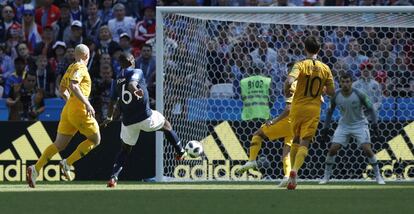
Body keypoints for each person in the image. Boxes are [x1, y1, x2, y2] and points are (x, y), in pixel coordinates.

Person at [101, 53, 186, 188]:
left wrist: (110, 117)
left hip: (128, 122)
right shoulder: (137, 71)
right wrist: (136, 91)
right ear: (131, 61)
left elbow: (112, 101)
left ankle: (113, 177)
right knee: (166, 125)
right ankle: (180, 152)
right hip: (145, 117)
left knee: (124, 150)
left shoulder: (116, 79)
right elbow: (131, 85)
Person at [27, 44, 101, 188]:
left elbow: (62, 90)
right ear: (86, 56)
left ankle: (35, 168)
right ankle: (68, 163)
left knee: (59, 144)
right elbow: (74, 85)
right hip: (79, 109)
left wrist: (71, 102)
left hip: (68, 109)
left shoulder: (70, 68)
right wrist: (86, 103)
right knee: (95, 139)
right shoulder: (80, 67)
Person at [284, 36, 335, 190]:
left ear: (305, 49)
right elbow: (332, 92)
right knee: (305, 142)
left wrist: (287, 92)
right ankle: (294, 170)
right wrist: (321, 90)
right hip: (313, 109)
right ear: (319, 50)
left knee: (296, 140)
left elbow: (288, 81)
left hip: (297, 107)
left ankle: (292, 179)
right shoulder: (326, 68)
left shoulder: (299, 65)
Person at [236, 62, 298, 187]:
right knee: (286, 152)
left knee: (258, 134)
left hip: (288, 121)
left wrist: (274, 121)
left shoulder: (291, 84)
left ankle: (252, 160)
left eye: (289, 71)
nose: (288, 73)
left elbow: (288, 109)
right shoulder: (303, 85)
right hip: (298, 122)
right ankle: (287, 176)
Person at [319, 73, 385, 185]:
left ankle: (378, 176)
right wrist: (325, 129)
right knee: (333, 149)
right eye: (343, 82)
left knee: (367, 149)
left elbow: (371, 109)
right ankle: (326, 177)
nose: (345, 84)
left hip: (360, 124)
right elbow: (329, 112)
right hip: (344, 125)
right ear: (340, 82)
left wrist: (374, 125)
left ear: (351, 82)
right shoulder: (336, 95)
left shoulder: (360, 94)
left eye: (348, 81)